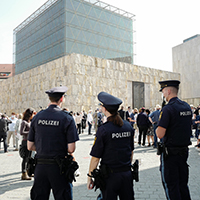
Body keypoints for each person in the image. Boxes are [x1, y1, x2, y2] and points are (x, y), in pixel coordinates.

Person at [27, 86, 79, 200]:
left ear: (49, 99)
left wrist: (43, 148)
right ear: (61, 99)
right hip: (59, 166)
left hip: (40, 166)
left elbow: (30, 146)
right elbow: (71, 149)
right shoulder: (67, 118)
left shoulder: (37, 117)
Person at [87, 91, 135, 200]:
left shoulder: (103, 130)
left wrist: (90, 176)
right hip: (126, 174)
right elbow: (131, 151)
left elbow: (95, 158)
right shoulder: (128, 126)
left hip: (110, 177)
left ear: (104, 109)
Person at [156, 80, 192, 200]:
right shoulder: (186, 106)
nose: (163, 95)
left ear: (168, 91)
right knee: (183, 185)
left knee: (171, 186)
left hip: (170, 154)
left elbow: (160, 134)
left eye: (163, 92)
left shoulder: (168, 109)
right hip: (183, 152)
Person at [20, 108, 35, 180]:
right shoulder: (24, 122)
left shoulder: (29, 122)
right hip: (25, 141)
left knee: (29, 158)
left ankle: (28, 172)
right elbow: (21, 132)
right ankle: (23, 173)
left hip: (30, 141)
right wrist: (30, 132)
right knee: (25, 158)